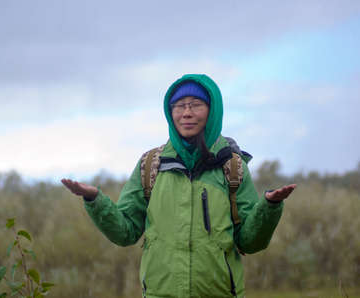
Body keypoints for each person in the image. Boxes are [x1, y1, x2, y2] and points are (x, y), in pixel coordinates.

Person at [62, 74, 296, 298]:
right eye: (179, 105)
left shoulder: (231, 167)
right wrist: (95, 200)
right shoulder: (150, 165)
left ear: (212, 111)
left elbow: (250, 241)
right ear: (169, 111)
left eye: (195, 104)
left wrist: (269, 207)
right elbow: (125, 232)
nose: (186, 113)